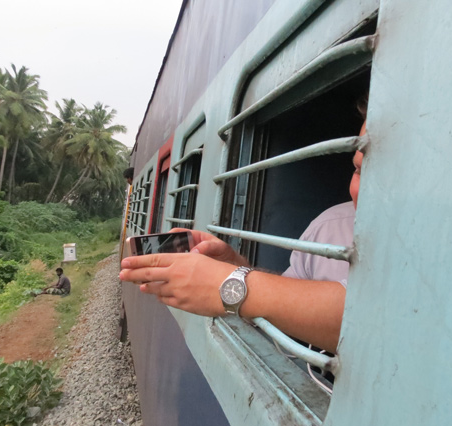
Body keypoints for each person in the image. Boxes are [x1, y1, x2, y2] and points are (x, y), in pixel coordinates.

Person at [120, 108, 367, 353]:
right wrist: (236, 269)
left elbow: (390, 324)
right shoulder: (327, 228)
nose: (361, 190)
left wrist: (230, 285)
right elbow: (287, 303)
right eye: (358, 170)